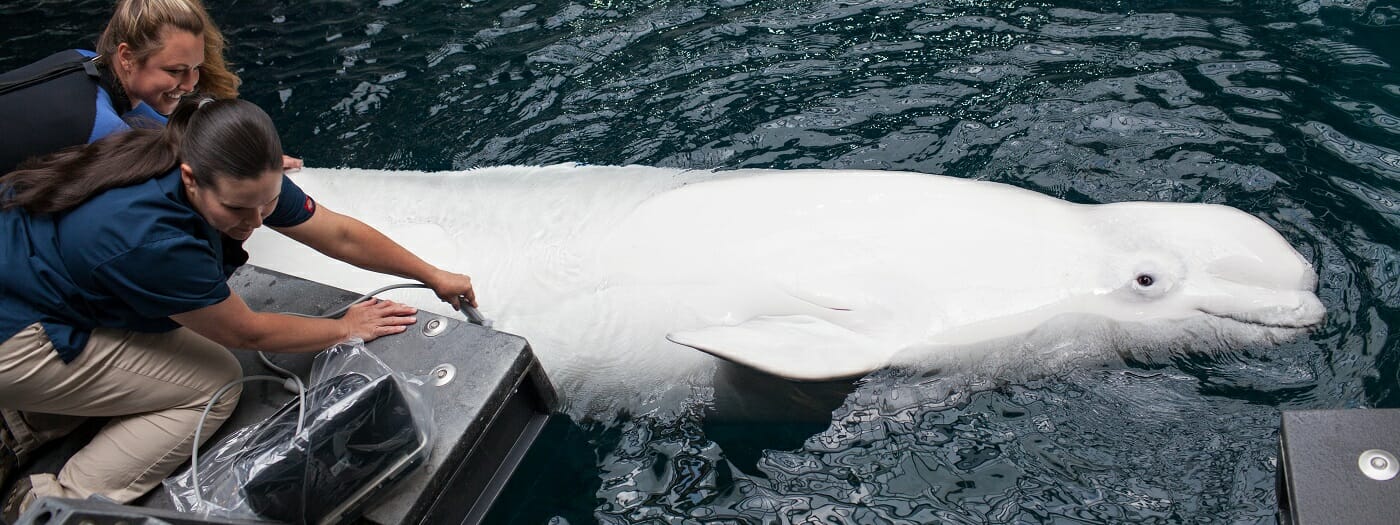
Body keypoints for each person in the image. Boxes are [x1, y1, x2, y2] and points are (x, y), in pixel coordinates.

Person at [0, 98, 476, 520]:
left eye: (267, 205)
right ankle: (54, 499)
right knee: (212, 385)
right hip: (18, 331)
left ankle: (28, 418)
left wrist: (431, 274)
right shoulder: (154, 239)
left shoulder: (224, 168)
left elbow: (338, 233)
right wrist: (344, 328)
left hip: (33, 286)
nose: (254, 223)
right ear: (191, 178)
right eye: (236, 211)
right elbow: (247, 333)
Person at [0, 0, 302, 173]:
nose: (189, 84)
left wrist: (241, 149)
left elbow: (163, 128)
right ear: (126, 56)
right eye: (174, 70)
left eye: (195, 68)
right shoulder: (101, 128)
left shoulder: (83, 60)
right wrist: (249, 163)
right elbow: (184, 166)